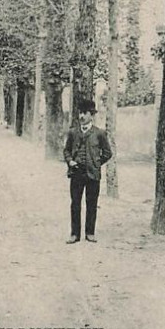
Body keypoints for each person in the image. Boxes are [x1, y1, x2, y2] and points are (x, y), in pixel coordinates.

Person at [63, 99, 112, 243]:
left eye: (85, 113)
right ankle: (75, 234)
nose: (81, 116)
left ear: (92, 115)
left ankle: (90, 233)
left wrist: (96, 163)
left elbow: (108, 153)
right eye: (80, 113)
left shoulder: (99, 133)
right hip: (76, 173)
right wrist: (70, 160)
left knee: (91, 204)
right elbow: (66, 150)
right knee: (75, 204)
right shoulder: (73, 132)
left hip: (92, 174)